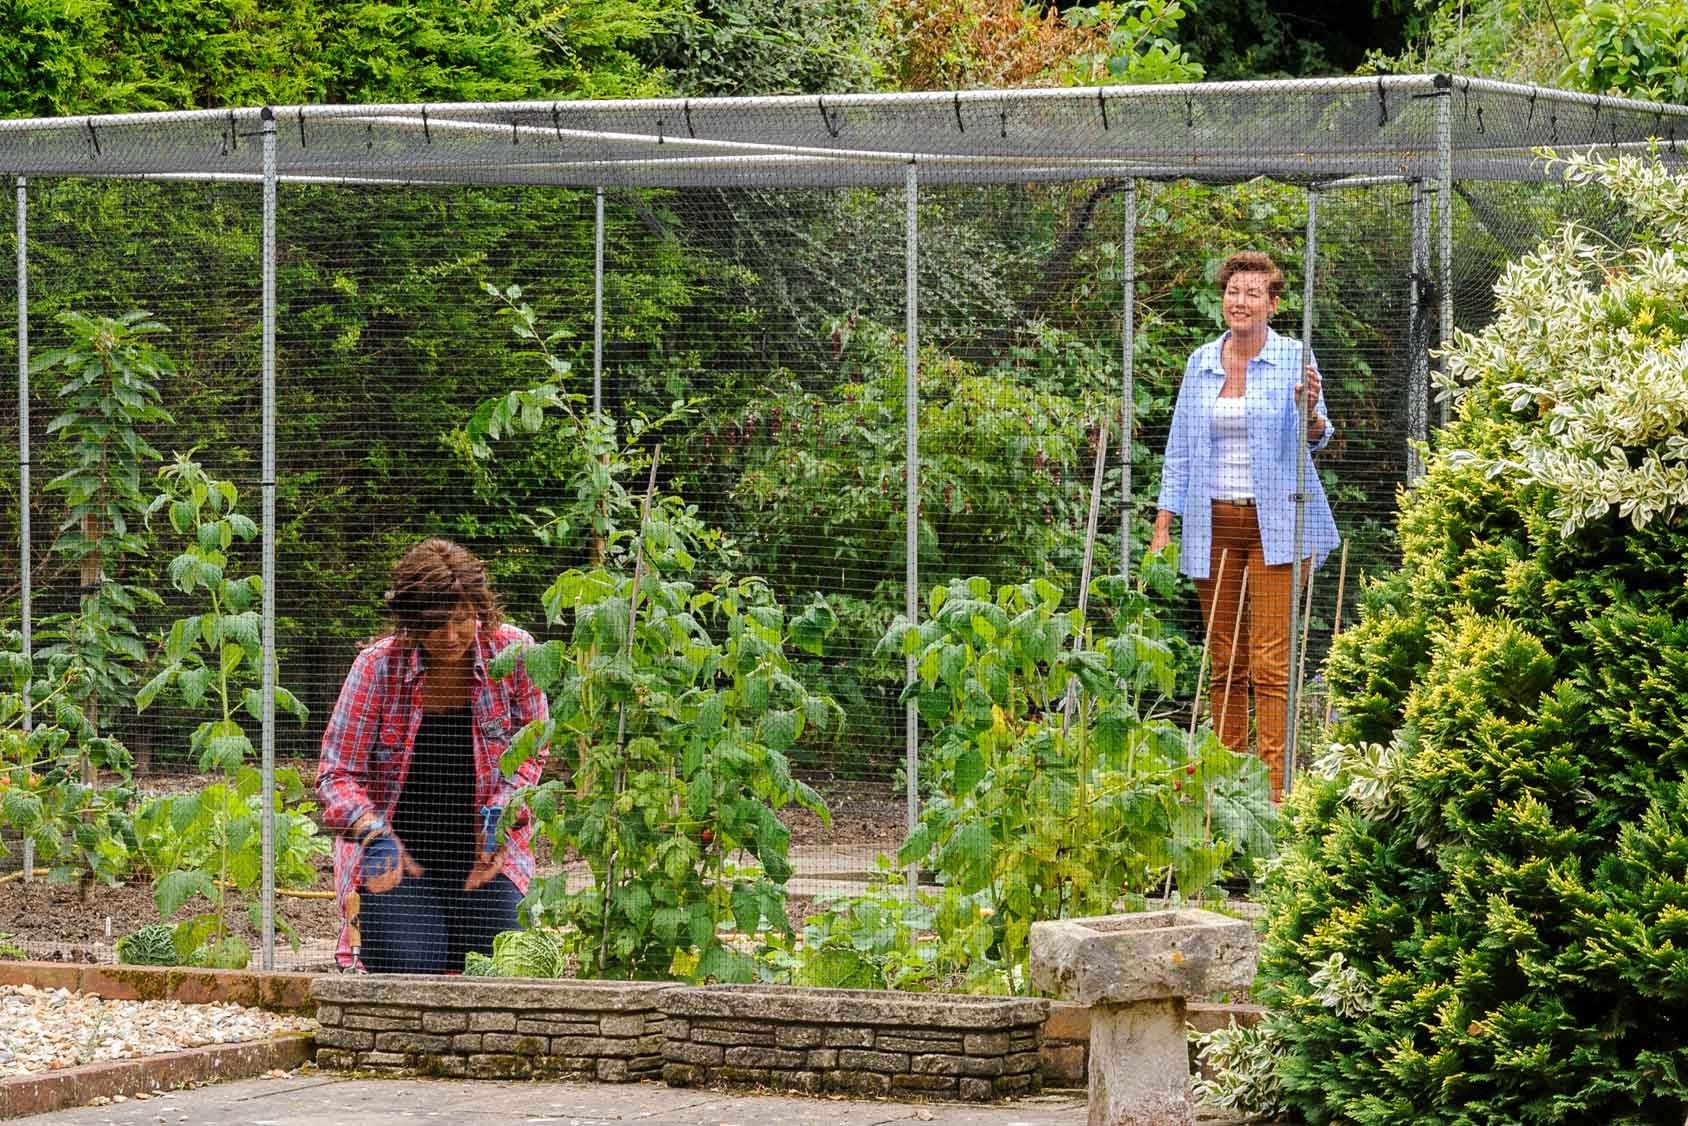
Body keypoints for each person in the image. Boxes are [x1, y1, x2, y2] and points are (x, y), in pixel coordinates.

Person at [1148, 251, 1340, 798]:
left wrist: (1313, 408)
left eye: (1253, 293)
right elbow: (1180, 448)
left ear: (1273, 304)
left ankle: (1275, 795)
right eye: (1234, 291)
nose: (1240, 301)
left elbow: (1314, 436)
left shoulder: (1293, 359)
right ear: (1223, 298)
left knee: (1272, 661)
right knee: (1224, 658)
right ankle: (1227, 790)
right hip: (1215, 523)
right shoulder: (1202, 362)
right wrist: (1165, 521)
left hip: (1277, 522)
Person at [316, 538, 549, 973]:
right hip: (398, 857)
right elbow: (336, 775)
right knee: (407, 965)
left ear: (480, 610)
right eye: (434, 623)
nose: (450, 635)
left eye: (462, 619)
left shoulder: (514, 656)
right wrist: (373, 836)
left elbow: (533, 753)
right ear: (409, 621)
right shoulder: (377, 668)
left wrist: (500, 819)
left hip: (484, 856)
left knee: (503, 964)